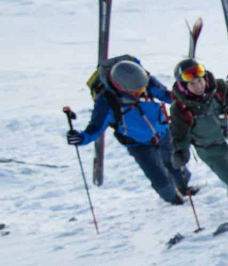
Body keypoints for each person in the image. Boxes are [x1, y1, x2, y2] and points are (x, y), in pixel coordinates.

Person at [66, 57, 192, 204]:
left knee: (175, 163)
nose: (141, 92)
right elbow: (96, 128)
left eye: (143, 88)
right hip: (137, 144)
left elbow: (166, 95)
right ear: (122, 87)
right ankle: (172, 198)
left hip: (162, 132)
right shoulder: (106, 100)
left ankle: (184, 187)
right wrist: (81, 138)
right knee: (157, 176)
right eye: (137, 91)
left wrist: (189, 99)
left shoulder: (146, 81)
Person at [168, 58, 228, 214]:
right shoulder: (180, 107)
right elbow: (179, 134)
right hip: (210, 150)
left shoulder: (220, 89)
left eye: (200, 81)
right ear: (184, 87)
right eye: (192, 84)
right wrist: (180, 151)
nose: (198, 86)